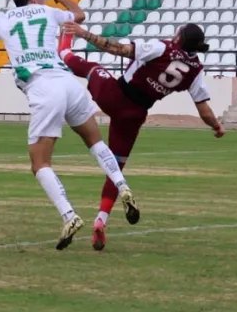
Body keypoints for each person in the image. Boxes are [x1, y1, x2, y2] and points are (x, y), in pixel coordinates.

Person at [0, 0, 136, 250]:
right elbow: (79, 16)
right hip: (67, 82)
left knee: (39, 162)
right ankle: (122, 185)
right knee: (95, 141)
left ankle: (69, 215)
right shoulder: (48, 12)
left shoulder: (4, 19)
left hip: (42, 86)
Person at [58, 22, 225, 251]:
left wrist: (83, 33)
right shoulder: (195, 70)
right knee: (115, 168)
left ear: (179, 37)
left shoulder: (162, 48)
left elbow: (118, 49)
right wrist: (216, 126)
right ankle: (101, 221)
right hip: (135, 115)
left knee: (91, 68)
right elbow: (203, 109)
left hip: (116, 95)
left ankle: (63, 50)